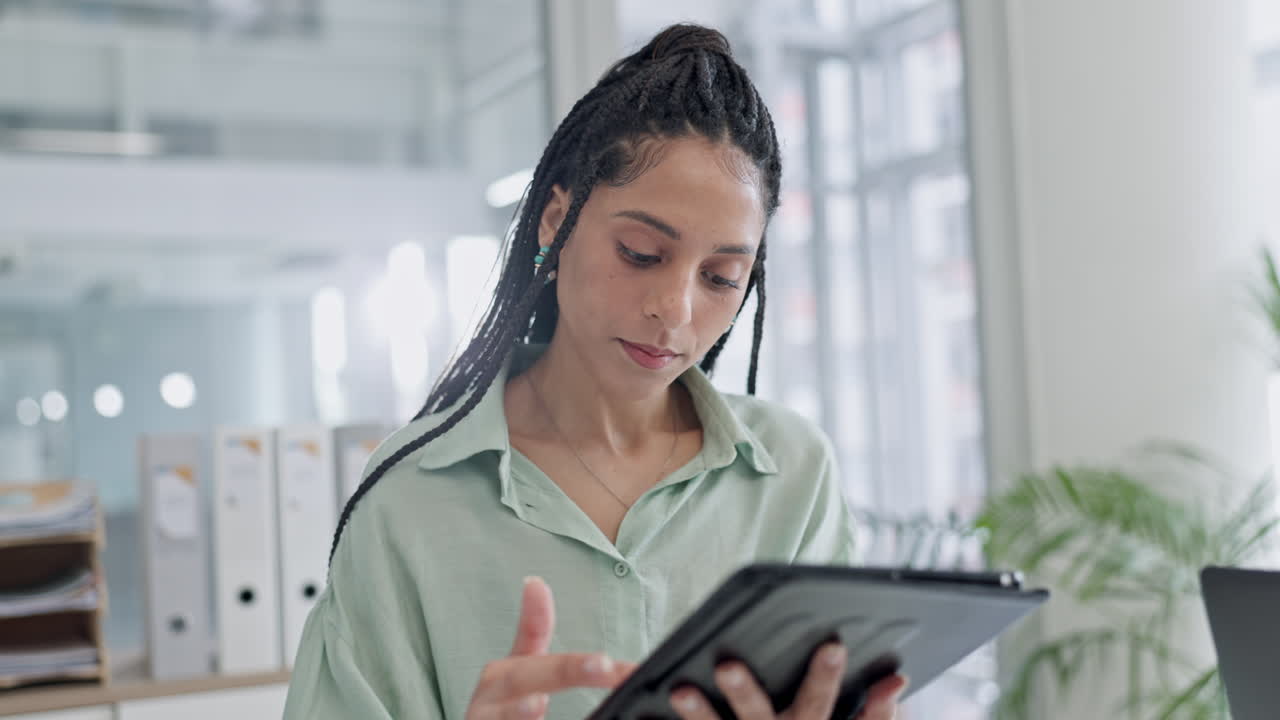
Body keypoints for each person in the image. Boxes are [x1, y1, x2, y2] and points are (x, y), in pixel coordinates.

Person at [283, 23, 906, 720]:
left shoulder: (792, 476)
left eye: (723, 276)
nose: (674, 311)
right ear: (556, 221)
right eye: (641, 252)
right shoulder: (409, 502)